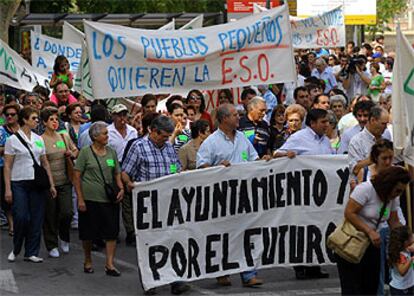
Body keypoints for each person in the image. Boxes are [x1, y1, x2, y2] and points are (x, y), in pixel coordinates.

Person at [197, 103, 267, 287]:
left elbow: (254, 160)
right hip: (222, 198)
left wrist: (265, 161)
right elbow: (201, 168)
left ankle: (249, 274)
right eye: (235, 115)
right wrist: (217, 168)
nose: (239, 117)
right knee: (223, 236)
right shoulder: (211, 142)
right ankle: (222, 272)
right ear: (224, 119)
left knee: (247, 234)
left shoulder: (243, 138)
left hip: (244, 195)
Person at [122, 115, 190, 294]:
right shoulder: (138, 147)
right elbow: (126, 173)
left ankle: (175, 280)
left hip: (169, 203)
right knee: (151, 243)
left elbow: (176, 168)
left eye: (168, 136)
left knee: (173, 240)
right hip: (148, 206)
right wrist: (130, 185)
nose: (166, 139)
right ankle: (151, 281)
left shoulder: (168, 148)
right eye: (163, 135)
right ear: (152, 130)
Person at [336, 166, 411, 295]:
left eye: (401, 191)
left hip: (373, 244)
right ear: (389, 184)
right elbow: (349, 213)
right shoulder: (365, 189)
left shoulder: (392, 197)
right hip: (352, 242)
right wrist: (369, 231)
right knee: (352, 288)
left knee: (372, 285)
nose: (398, 194)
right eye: (397, 190)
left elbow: (393, 222)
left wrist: (408, 238)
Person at [5, 106, 57, 263]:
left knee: (36, 217)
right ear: (25, 120)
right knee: (21, 217)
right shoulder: (12, 140)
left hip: (37, 183)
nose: (36, 121)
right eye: (34, 118)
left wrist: (51, 184)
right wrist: (8, 188)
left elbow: (45, 162)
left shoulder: (38, 139)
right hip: (19, 182)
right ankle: (16, 248)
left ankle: (31, 252)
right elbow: (7, 165)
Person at [73, 121, 124, 276]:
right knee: (88, 233)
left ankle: (109, 264)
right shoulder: (85, 153)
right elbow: (76, 176)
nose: (107, 136)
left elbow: (117, 172)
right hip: (90, 199)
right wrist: (80, 199)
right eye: (105, 134)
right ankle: (87, 259)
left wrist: (120, 187)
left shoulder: (111, 152)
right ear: (95, 137)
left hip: (109, 199)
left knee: (111, 232)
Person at [40, 107, 78, 258]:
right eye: (51, 119)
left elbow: (76, 150)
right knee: (50, 215)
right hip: (49, 183)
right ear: (44, 122)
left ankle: (64, 237)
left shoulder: (64, 136)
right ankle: (51, 244)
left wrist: (72, 153)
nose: (55, 122)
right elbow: (40, 160)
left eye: (57, 119)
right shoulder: (40, 140)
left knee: (67, 212)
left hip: (65, 180)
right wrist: (49, 184)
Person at [348, 106, 390, 176]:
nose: (386, 127)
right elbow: (355, 169)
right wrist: (375, 157)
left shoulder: (386, 135)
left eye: (386, 124)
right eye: (383, 124)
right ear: (373, 120)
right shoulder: (356, 141)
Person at [0, 103, 20, 237]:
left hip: (21, 166)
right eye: (7, 115)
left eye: (12, 114)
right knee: (6, 196)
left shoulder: (24, 130)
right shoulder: (1, 131)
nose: (9, 117)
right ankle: (12, 223)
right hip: (3, 166)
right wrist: (10, 149)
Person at [388, 226, 414, 295]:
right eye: (411, 236)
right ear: (405, 242)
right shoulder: (400, 254)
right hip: (400, 289)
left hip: (408, 285)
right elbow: (402, 271)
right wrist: (411, 259)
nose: (413, 236)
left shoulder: (405, 248)